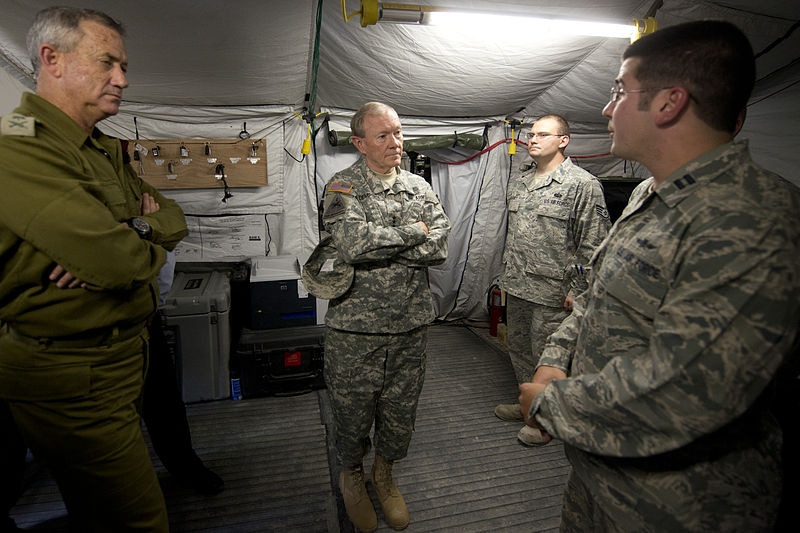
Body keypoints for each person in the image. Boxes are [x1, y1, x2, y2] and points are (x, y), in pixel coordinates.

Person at [519, 20, 800, 531]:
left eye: (620, 91)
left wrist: (552, 403)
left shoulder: (750, 216)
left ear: (669, 103)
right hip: (600, 478)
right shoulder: (653, 193)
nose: (607, 108)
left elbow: (688, 390)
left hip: (680, 506)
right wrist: (556, 359)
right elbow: (596, 298)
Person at [0, 7, 187, 531]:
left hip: (121, 357)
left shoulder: (100, 150)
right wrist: (128, 243)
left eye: (123, 66)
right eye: (107, 63)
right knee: (138, 521)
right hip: (70, 370)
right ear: (51, 59)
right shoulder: (17, 142)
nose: (122, 80)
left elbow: (173, 218)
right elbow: (111, 260)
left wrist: (137, 231)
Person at [318, 102, 450, 531]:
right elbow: (353, 245)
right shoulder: (342, 187)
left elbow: (441, 247)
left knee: (399, 411)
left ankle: (385, 475)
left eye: (398, 132)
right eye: (383, 136)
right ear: (359, 143)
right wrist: (414, 234)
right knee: (352, 410)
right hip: (355, 328)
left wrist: (387, 245)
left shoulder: (418, 187)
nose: (395, 143)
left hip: (409, 324)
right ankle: (352, 475)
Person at [494, 114, 609, 446]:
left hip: (554, 293)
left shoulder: (582, 185)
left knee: (550, 356)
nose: (532, 139)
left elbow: (594, 245)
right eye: (531, 134)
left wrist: (580, 290)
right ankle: (527, 404)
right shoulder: (520, 180)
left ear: (563, 141)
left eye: (543, 134)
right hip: (518, 284)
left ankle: (547, 419)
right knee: (518, 349)